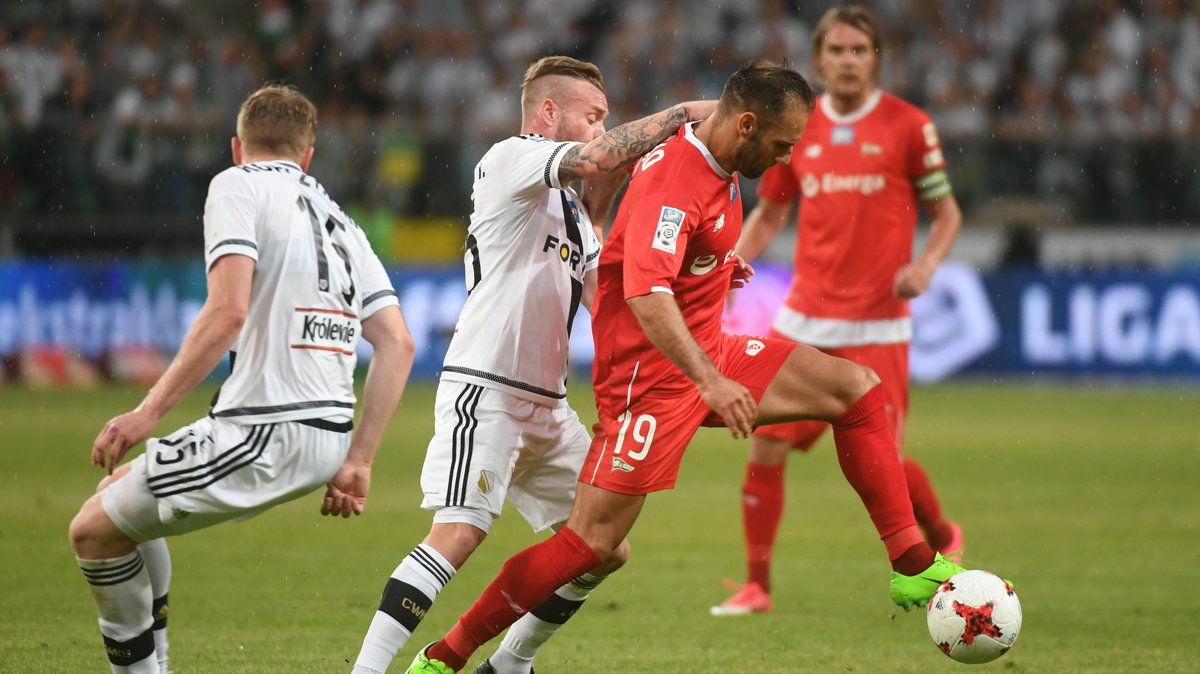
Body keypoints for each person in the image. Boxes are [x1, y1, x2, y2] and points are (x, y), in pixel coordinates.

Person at [404, 59, 968, 674]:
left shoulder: (720, 157)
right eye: (781, 146)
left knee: (856, 392)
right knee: (589, 544)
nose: (786, 160)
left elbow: (666, 252)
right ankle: (445, 657)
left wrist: (720, 264)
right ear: (747, 125)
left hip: (706, 348)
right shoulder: (677, 177)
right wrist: (711, 382)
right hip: (650, 378)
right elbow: (646, 293)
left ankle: (910, 562)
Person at [350, 56, 716, 674]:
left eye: (604, 118)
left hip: (547, 404)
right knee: (459, 534)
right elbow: (599, 160)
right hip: (486, 389)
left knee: (603, 548)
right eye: (592, 115)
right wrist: (681, 116)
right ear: (548, 113)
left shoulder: (573, 214)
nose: (601, 128)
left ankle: (511, 662)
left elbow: (617, 289)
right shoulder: (510, 157)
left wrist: (709, 272)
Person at [68, 84, 415, 674]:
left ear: (237, 146)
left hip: (265, 430)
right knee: (116, 502)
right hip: (323, 434)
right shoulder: (343, 221)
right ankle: (155, 661)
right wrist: (359, 459)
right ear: (308, 154)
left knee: (90, 533)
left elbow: (227, 311)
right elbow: (398, 343)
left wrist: (146, 413)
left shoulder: (236, 185)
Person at [711, 6, 966, 616]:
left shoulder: (909, 126)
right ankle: (757, 586)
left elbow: (948, 214)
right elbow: (771, 212)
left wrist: (926, 266)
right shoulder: (796, 125)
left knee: (886, 460)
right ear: (819, 58)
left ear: (875, 57)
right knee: (764, 448)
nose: (848, 61)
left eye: (859, 50)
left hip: (879, 323)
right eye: (837, 51)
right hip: (805, 318)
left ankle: (942, 538)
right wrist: (725, 271)